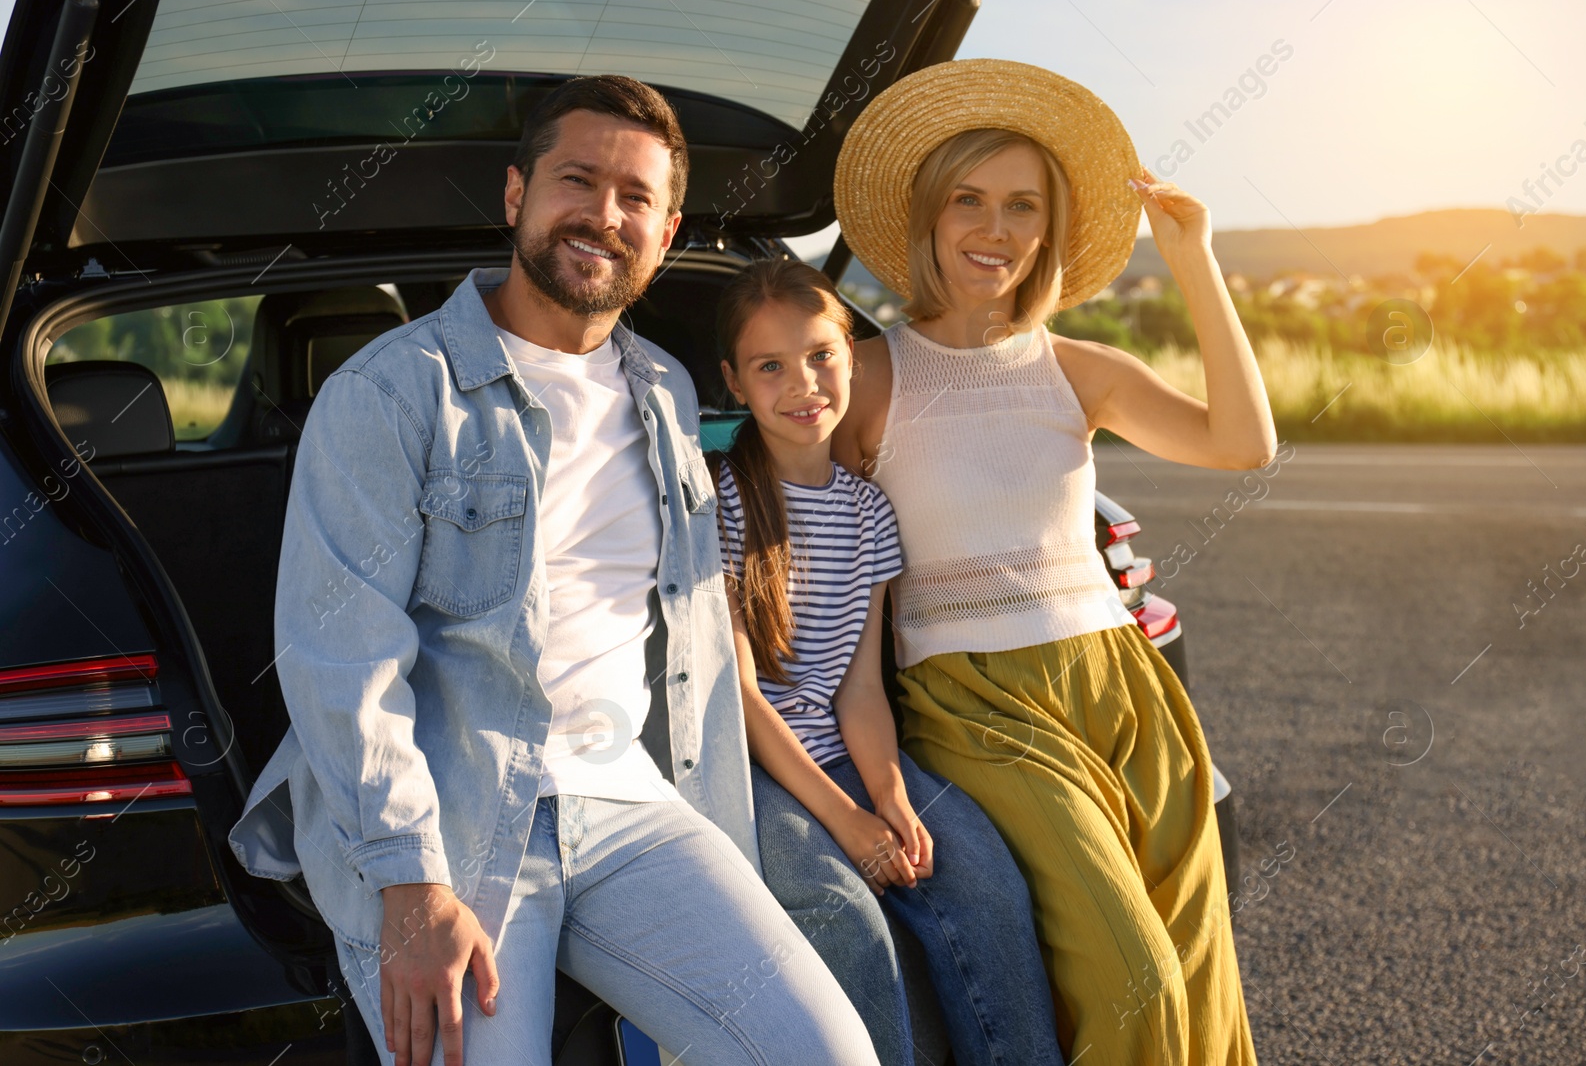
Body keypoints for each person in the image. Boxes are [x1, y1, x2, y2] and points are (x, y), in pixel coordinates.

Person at [226, 74, 877, 1066]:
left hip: (635, 804)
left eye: (636, 199)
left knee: (824, 1051)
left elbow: (698, 626)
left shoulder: (663, 387)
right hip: (455, 815)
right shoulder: (394, 393)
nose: (603, 215)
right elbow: (341, 655)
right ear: (516, 194)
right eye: (578, 179)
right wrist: (410, 885)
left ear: (665, 237)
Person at [828, 58, 1273, 1065]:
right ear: (929, 216)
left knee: (1198, 974)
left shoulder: (1078, 368)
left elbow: (1245, 443)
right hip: (972, 703)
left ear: (1049, 227)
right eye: (969, 200)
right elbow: (808, 551)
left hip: (1125, 688)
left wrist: (1194, 256)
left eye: (1022, 206)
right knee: (1134, 981)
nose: (995, 229)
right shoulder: (863, 377)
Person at [708, 258, 1067, 1066]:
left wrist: (893, 798)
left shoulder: (869, 510)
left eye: (821, 355)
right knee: (846, 917)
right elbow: (739, 698)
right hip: (757, 772)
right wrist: (848, 820)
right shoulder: (721, 501)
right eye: (770, 366)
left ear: (854, 358)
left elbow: (861, 689)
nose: (803, 384)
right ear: (734, 380)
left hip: (848, 752)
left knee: (987, 891)